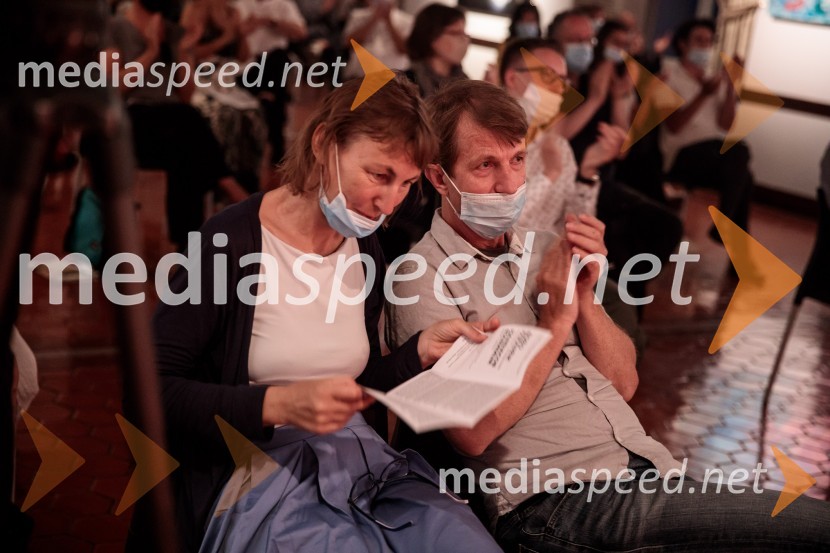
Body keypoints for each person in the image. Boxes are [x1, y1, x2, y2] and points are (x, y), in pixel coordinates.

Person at [387, 78, 830, 553]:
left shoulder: (540, 249)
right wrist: (554, 325)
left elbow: (622, 381)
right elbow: (471, 436)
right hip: (555, 503)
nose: (509, 183)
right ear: (438, 178)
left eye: (517, 160)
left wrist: (585, 293)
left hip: (642, 467)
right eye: (485, 166)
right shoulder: (421, 276)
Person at [127, 75, 502, 553]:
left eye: (407, 183)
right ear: (325, 143)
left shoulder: (364, 246)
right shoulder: (231, 243)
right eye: (378, 175)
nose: (390, 205)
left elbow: (352, 384)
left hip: (356, 462)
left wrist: (417, 353)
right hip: (255, 469)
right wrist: (277, 405)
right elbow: (149, 392)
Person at [106, 0, 249, 249]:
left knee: (188, 147)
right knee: (189, 123)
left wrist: (184, 51)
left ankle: (188, 247)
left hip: (172, 128)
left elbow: (185, 95)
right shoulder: (115, 27)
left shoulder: (172, 32)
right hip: (128, 122)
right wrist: (150, 52)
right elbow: (111, 90)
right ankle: (229, 189)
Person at [661, 18, 754, 236]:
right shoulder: (669, 76)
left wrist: (731, 86)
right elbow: (674, 126)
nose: (705, 46)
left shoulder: (713, 78)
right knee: (742, 160)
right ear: (683, 44)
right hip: (681, 155)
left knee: (745, 176)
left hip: (713, 154)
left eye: (709, 41)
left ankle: (728, 233)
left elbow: (727, 125)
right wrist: (703, 95)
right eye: (699, 40)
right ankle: (728, 232)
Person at [180, 0, 268, 193]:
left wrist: (242, 36)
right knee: (224, 115)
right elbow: (189, 53)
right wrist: (226, 38)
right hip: (201, 77)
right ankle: (221, 182)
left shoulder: (232, 12)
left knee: (252, 114)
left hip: (227, 79)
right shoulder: (195, 9)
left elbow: (243, 56)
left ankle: (247, 181)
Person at [404, 3, 469, 98]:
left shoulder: (466, 85)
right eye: (455, 32)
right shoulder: (406, 83)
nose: (464, 39)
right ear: (432, 37)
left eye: (465, 33)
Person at [342, 0, 414, 79]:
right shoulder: (357, 16)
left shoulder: (407, 20)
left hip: (394, 78)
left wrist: (388, 21)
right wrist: (374, 18)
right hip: (359, 75)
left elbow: (405, 49)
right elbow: (348, 43)